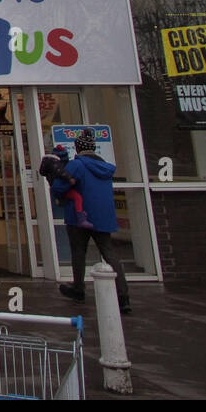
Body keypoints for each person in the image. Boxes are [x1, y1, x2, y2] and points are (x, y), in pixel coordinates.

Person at [53, 129, 131, 313]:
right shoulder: (106, 168)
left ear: (77, 148)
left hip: (80, 216)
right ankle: (123, 296)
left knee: (78, 252)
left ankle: (78, 289)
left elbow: (59, 187)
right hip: (103, 216)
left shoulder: (77, 165)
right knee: (109, 253)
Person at [38, 145, 93, 229]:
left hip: (56, 189)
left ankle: (78, 211)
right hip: (61, 189)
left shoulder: (49, 166)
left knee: (68, 199)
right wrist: (70, 178)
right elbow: (61, 173)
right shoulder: (57, 166)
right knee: (77, 197)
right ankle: (81, 218)